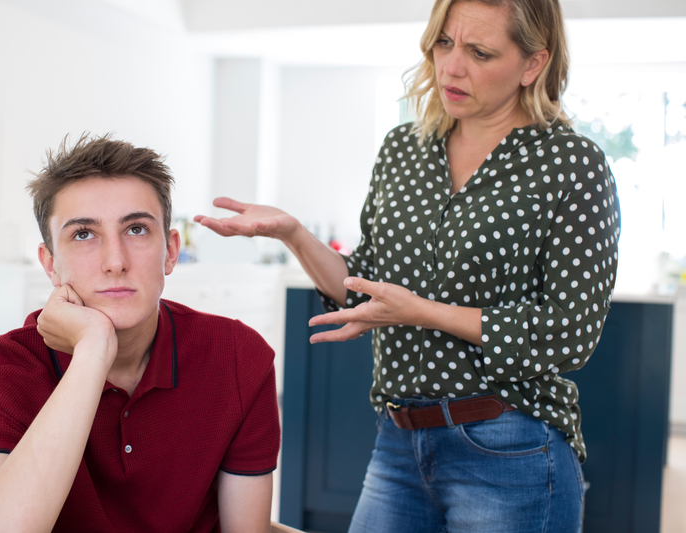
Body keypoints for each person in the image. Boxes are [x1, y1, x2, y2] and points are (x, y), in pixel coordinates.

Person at [195, 0, 620, 531]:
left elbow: (571, 332)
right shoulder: (403, 148)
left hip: (511, 444)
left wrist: (422, 311)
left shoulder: (571, 163)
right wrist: (292, 233)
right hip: (398, 442)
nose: (452, 67)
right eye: (444, 43)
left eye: (480, 52)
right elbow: (361, 291)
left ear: (532, 64)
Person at [0, 135, 281, 533]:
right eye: (84, 234)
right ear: (50, 264)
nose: (115, 262)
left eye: (136, 229)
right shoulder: (0, 373)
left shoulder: (239, 358)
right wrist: (91, 351)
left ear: (170, 252)